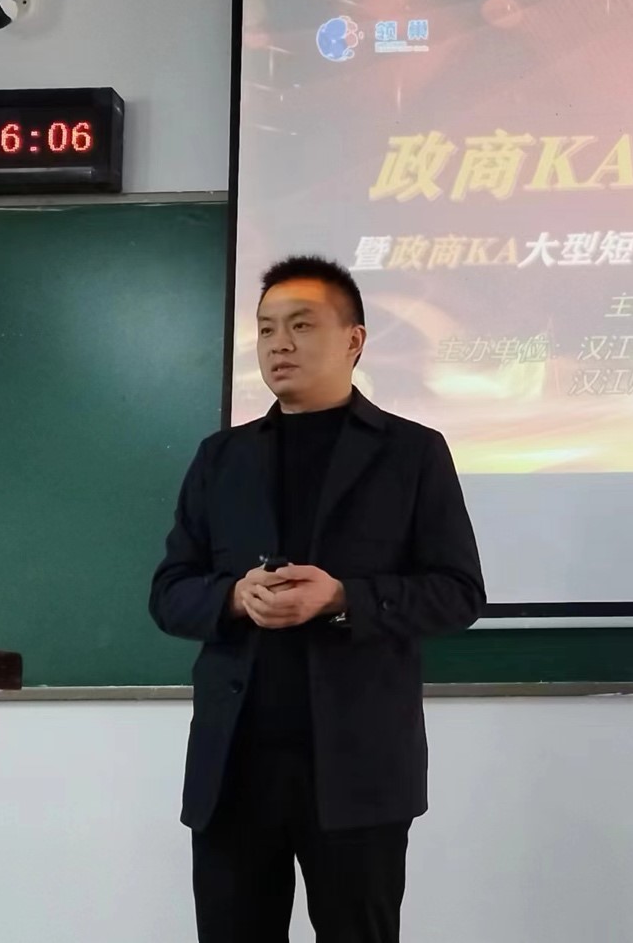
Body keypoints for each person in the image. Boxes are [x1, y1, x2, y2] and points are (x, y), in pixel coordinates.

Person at [150, 255, 485, 943]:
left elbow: (457, 593)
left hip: (358, 770)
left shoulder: (412, 453)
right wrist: (233, 597)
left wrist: (342, 598)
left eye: (301, 325)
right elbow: (170, 591)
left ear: (354, 340)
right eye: (266, 328)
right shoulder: (221, 458)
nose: (279, 344)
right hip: (235, 767)